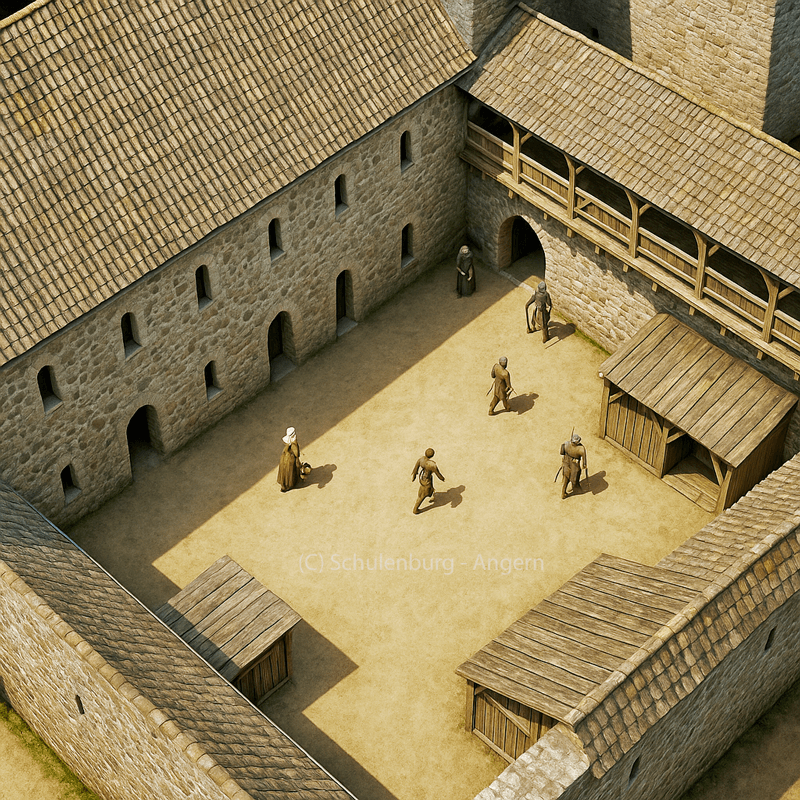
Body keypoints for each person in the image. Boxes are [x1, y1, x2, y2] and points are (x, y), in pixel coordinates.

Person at [411, 448, 445, 514]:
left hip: (422, 477)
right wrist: (442, 478)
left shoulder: (421, 459)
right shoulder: (431, 465)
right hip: (426, 481)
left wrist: (414, 475)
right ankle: (415, 509)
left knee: (430, 489)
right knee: (422, 496)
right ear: (432, 455)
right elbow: (438, 474)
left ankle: (430, 493)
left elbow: (416, 468)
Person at [560, 433, 588, 499]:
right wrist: (584, 466)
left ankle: (563, 492)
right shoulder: (581, 449)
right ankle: (575, 487)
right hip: (574, 466)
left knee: (566, 478)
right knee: (575, 476)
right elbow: (584, 464)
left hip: (566, 463)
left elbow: (561, 452)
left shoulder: (566, 444)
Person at [277, 426, 301, 492]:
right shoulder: (294, 442)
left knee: (284, 471)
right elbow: (296, 454)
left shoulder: (287, 441)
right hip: (290, 460)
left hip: (284, 458)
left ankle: (283, 485)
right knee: (290, 472)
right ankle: (289, 485)